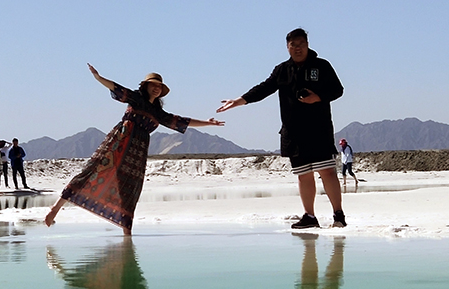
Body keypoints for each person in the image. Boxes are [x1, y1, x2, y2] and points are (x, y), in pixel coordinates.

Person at [45, 64, 224, 235]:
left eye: (159, 87)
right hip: (120, 141)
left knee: (130, 188)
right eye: (153, 85)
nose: (156, 89)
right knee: (92, 170)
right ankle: (55, 208)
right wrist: (98, 77)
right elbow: (116, 88)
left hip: (138, 151)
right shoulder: (136, 98)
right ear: (145, 86)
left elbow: (181, 121)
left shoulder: (158, 112)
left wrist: (208, 123)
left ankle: (127, 232)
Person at [217, 28, 346, 229]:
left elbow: (338, 90)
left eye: (301, 44)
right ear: (287, 47)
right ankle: (309, 216)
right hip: (293, 132)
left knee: (327, 171)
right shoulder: (282, 70)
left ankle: (338, 215)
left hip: (318, 129)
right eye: (293, 45)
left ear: (307, 45)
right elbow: (264, 88)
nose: (297, 48)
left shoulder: (321, 66)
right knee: (304, 174)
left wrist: (318, 97)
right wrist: (240, 100)